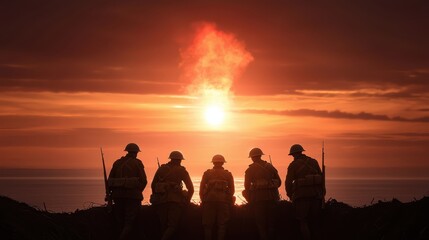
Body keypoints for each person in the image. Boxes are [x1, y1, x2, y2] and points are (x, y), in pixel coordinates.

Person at [107, 143, 147, 240]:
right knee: (129, 222)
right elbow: (144, 181)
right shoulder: (137, 163)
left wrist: (110, 194)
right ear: (136, 152)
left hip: (117, 196)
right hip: (132, 196)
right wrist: (138, 191)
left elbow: (110, 180)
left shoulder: (117, 163)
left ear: (127, 151)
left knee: (119, 220)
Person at [151, 150, 194, 240]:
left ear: (171, 159)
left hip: (161, 200)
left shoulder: (161, 169)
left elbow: (153, 185)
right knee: (172, 226)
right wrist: (187, 201)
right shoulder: (181, 170)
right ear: (179, 160)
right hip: (175, 201)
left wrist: (156, 196)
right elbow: (191, 188)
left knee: (163, 225)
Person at [286, 144, 325, 240]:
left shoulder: (293, 165)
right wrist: (322, 193)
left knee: (303, 221)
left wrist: (290, 195)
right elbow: (321, 178)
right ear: (301, 152)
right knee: (315, 222)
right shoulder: (314, 162)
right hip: (316, 196)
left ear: (294, 154)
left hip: (301, 197)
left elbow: (288, 182)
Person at [243, 147, 281, 240]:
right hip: (272, 198)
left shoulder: (250, 169)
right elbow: (279, 182)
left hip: (258, 200)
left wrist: (250, 200)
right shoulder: (271, 167)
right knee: (271, 223)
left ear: (252, 157)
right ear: (260, 155)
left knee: (261, 224)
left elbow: (246, 186)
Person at [200, 154, 235, 240]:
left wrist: (203, 200)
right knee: (222, 225)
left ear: (213, 163)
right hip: (223, 202)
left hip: (209, 201)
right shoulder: (228, 174)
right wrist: (228, 199)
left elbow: (201, 189)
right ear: (223, 163)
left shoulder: (207, 173)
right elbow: (232, 190)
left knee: (208, 226)